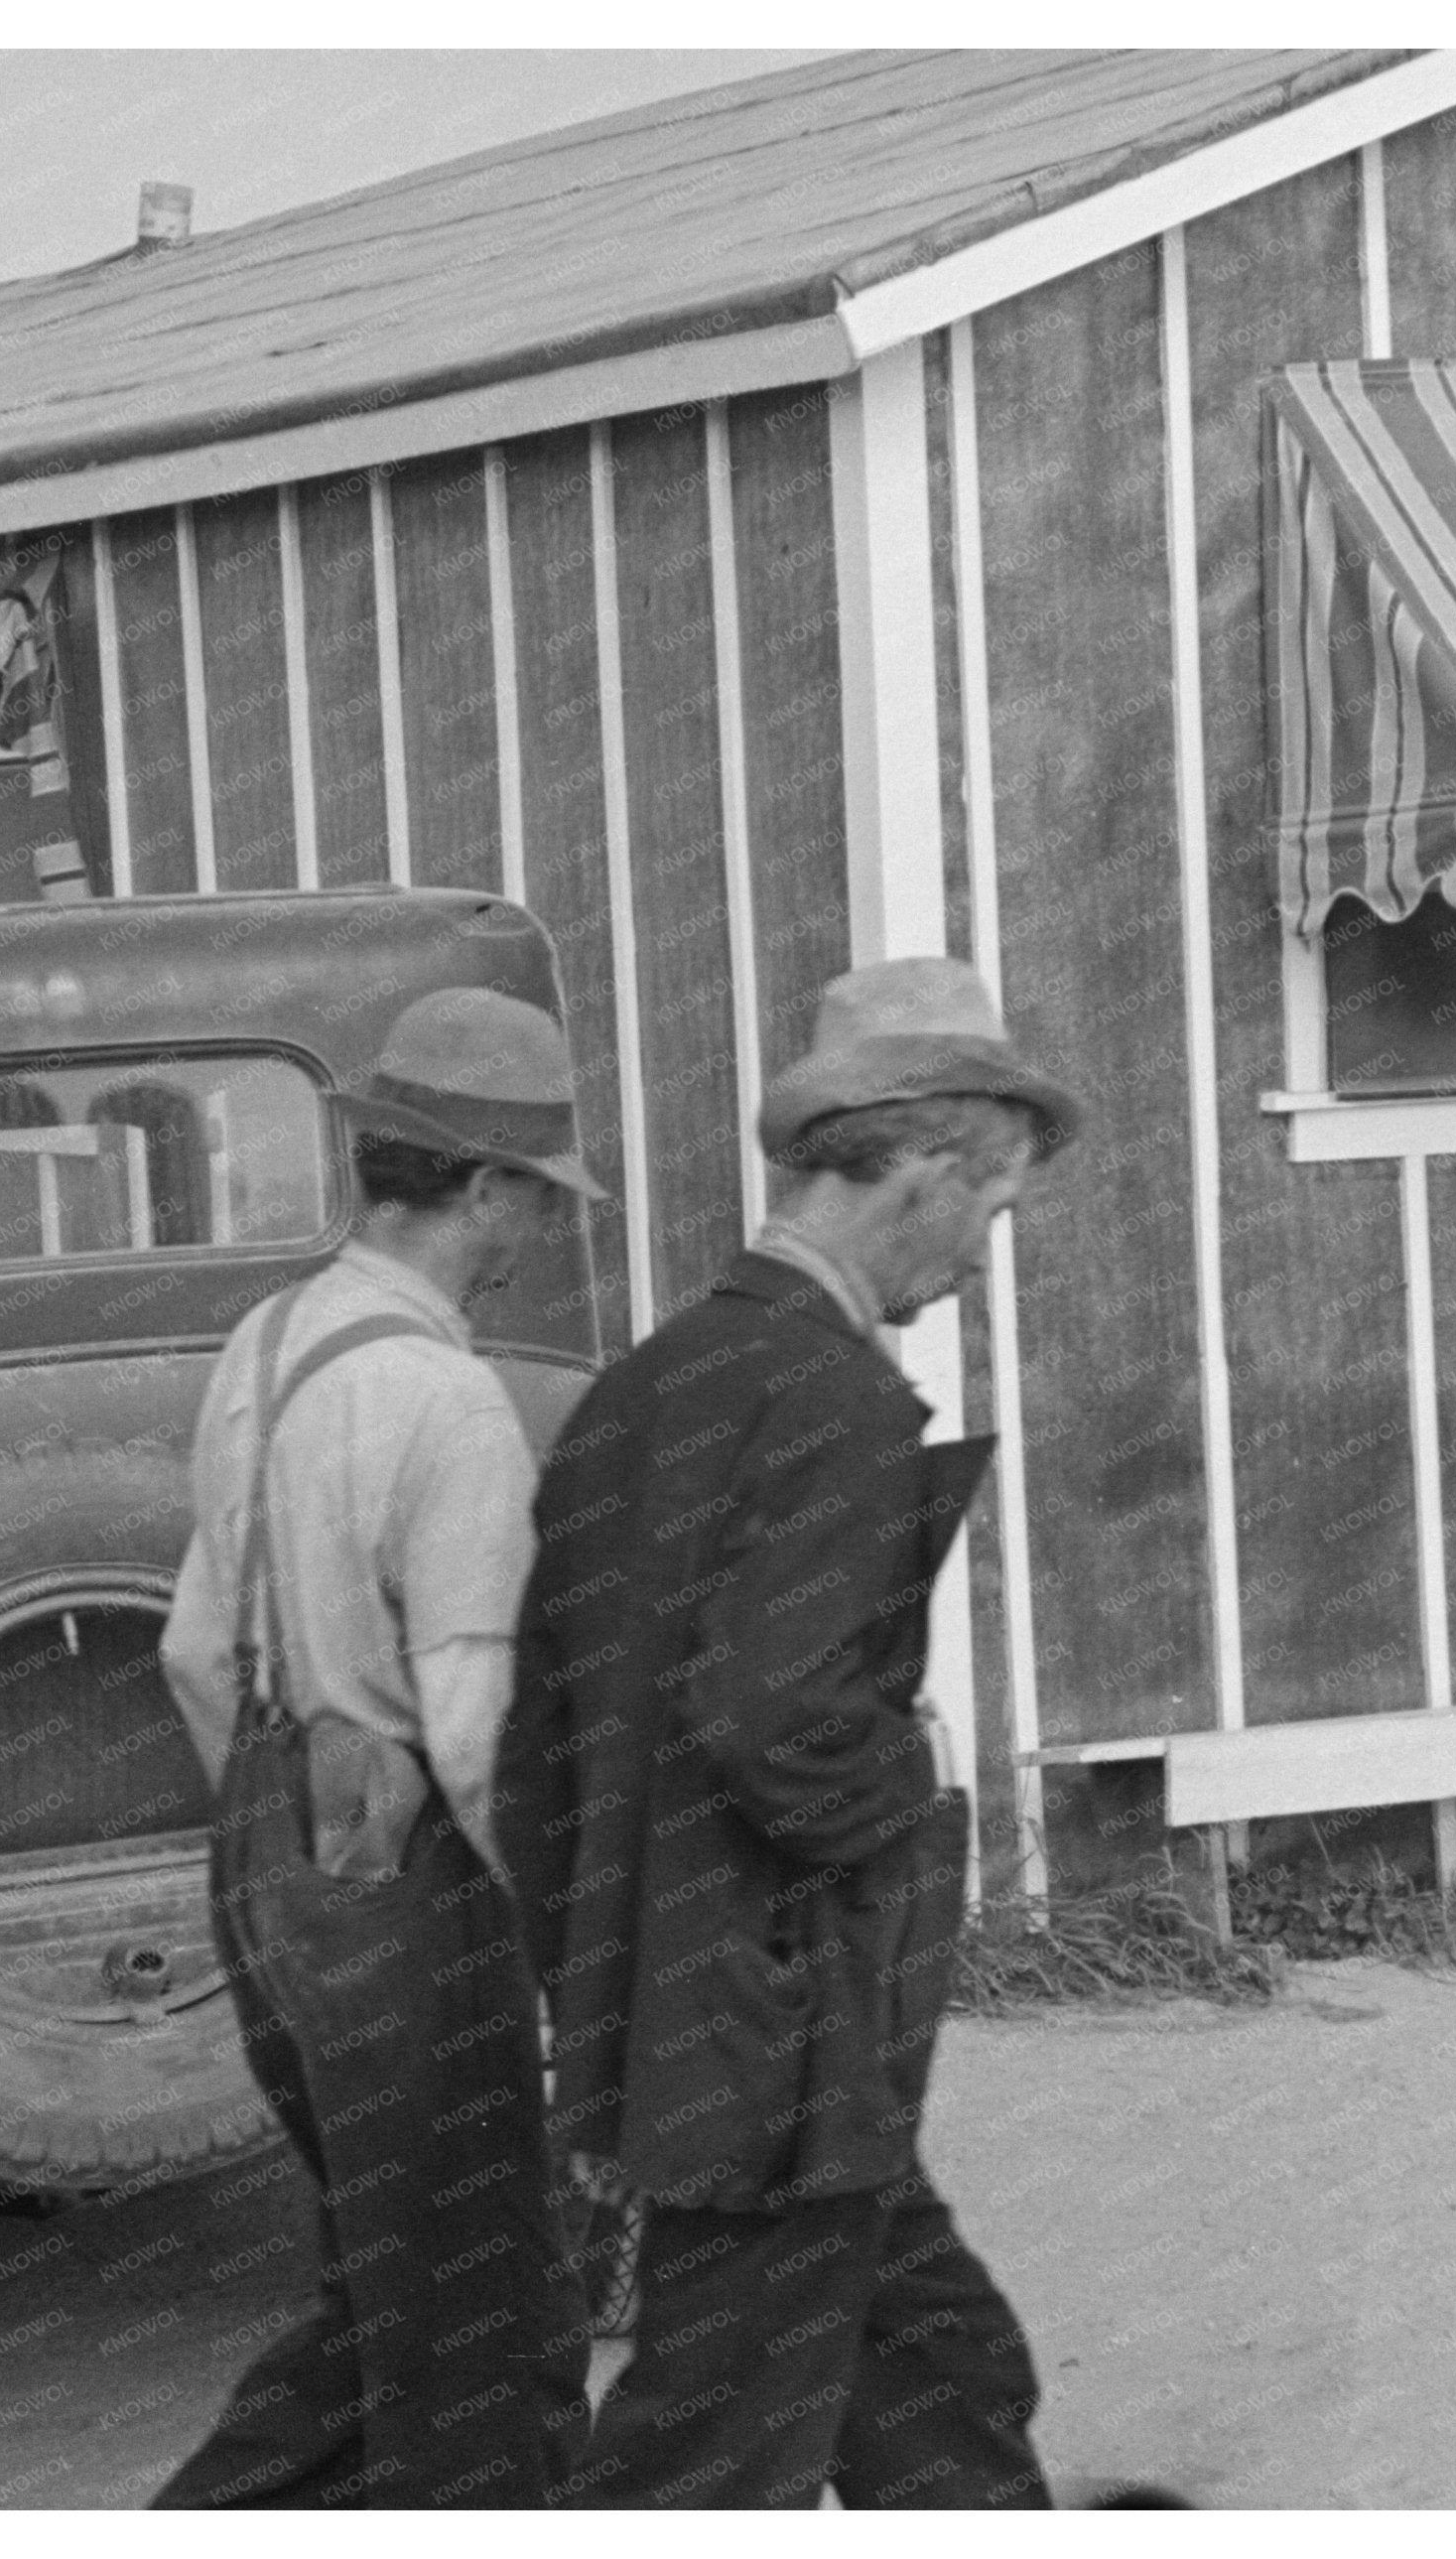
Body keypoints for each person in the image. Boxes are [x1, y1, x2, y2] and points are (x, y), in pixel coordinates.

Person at [502, 956, 1081, 2510]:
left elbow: (537, 1749)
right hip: (785, 2025)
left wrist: (605, 1974)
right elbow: (779, 1723)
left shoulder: (644, 1389)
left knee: (937, 2365)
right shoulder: (833, 1402)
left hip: (687, 2002)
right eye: (991, 1212)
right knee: (712, 2449)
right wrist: (915, 1787)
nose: (976, 1258)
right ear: (927, 1170)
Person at [150, 986, 601, 2510]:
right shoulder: (449, 1398)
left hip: (270, 1858)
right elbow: (473, 1737)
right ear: (483, 1187)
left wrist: (295, 1835)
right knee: (483, 2330)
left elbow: (196, 1652)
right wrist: (568, 1937)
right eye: (538, 1194)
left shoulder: (267, 1345)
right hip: (410, 1878)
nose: (542, 1229)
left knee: (386, 2298)